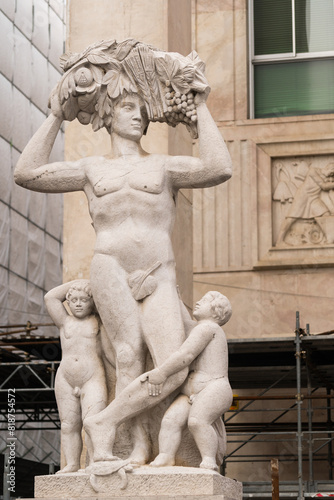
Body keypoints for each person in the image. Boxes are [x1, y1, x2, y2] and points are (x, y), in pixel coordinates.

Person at [14, 69, 232, 463]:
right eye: (128, 107)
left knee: (173, 367)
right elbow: (26, 173)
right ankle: (138, 446)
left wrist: (200, 106)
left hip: (157, 269)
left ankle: (106, 421)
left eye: (143, 111)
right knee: (127, 354)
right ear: (108, 114)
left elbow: (219, 167)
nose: (139, 117)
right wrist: (55, 116)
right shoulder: (91, 168)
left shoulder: (164, 166)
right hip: (110, 264)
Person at [145, 291, 233, 471]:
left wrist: (161, 373)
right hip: (193, 392)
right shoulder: (200, 327)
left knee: (197, 421)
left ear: (216, 312)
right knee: (171, 420)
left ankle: (208, 459)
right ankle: (166, 455)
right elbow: (185, 323)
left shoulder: (208, 328)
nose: (198, 302)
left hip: (214, 387)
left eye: (205, 301)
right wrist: (175, 299)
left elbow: (186, 355)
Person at [44, 280, 107, 473]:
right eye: (74, 300)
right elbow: (50, 296)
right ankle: (72, 463)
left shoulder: (99, 321)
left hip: (92, 377)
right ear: (68, 303)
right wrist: (81, 283)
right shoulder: (64, 322)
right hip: (65, 377)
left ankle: (95, 462)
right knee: (68, 424)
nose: (79, 304)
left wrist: (94, 286)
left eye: (84, 300)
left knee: (93, 422)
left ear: (92, 303)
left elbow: (109, 300)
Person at [276, 163, 334, 245]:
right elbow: (324, 186)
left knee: (326, 214)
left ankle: (328, 239)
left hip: (314, 198)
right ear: (328, 168)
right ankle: (279, 240)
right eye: (331, 172)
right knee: (291, 218)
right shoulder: (313, 171)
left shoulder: (326, 177)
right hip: (303, 196)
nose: (331, 175)